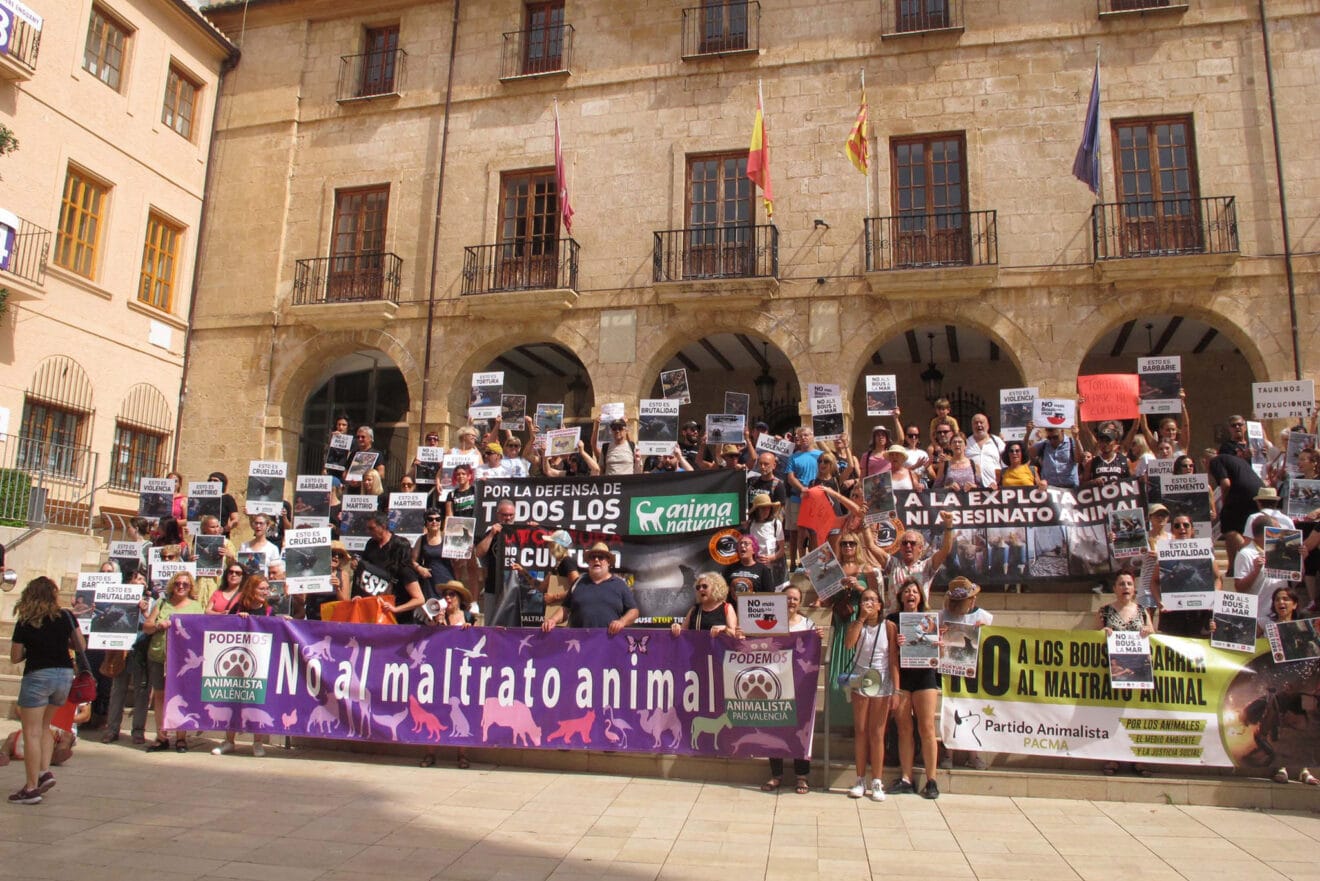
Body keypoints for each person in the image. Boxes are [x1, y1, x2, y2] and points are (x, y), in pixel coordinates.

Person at [9, 576, 87, 804]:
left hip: (38, 675)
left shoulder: (26, 620)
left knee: (31, 731)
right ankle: (43, 772)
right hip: (63, 675)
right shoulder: (65, 616)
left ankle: (31, 788)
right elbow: (80, 645)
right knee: (45, 727)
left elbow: (15, 657)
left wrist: (33, 648)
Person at [843, 587, 899, 801]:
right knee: (861, 730)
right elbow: (849, 644)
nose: (868, 603)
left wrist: (897, 689)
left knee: (877, 733)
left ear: (879, 605)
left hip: (882, 680)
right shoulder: (858, 625)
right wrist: (861, 619)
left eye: (872, 600)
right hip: (860, 679)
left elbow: (893, 659)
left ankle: (877, 780)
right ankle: (860, 779)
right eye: (864, 599)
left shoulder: (889, 627)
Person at [213, 575, 280, 757]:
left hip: (260, 662)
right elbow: (225, 628)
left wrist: (283, 621)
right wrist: (238, 618)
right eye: (261, 588)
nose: (265, 592)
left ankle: (257, 743)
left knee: (258, 702)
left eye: (267, 589)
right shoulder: (239, 606)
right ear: (252, 589)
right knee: (233, 701)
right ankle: (229, 741)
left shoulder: (269, 610)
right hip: (238, 661)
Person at [760, 580, 816, 795]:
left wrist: (816, 638)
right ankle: (776, 774)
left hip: (800, 684)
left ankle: (801, 776)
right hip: (774, 682)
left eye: (795, 598)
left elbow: (812, 651)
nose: (791, 601)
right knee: (774, 727)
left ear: (800, 602)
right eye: (787, 598)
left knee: (800, 729)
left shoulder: (808, 625)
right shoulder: (769, 622)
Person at [1097, 570, 1154, 777]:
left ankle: (1138, 758)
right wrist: (1102, 634)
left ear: (1134, 588)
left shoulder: (1143, 611)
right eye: (1121, 584)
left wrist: (1149, 631)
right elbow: (1094, 636)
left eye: (1129, 583)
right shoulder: (1104, 611)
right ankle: (1112, 756)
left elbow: (1153, 634)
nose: (1126, 587)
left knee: (1136, 715)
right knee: (1113, 715)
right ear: (1114, 588)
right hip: (1114, 672)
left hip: (1138, 673)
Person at [888, 579, 942, 799]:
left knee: (927, 728)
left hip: (924, 677)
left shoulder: (930, 621)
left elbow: (939, 654)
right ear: (901, 596)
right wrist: (898, 644)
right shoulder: (892, 621)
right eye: (907, 591)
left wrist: (938, 644)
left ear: (921, 597)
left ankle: (931, 779)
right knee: (904, 729)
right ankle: (906, 778)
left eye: (915, 591)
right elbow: (889, 655)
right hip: (903, 677)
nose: (911, 594)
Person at [143, 572, 204, 753]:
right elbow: (147, 626)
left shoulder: (196, 607)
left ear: (190, 587)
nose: (181, 586)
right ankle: (162, 736)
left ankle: (181, 738)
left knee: (181, 696)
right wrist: (158, 625)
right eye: (178, 583)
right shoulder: (162, 603)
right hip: (159, 656)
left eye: (185, 584)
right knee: (160, 696)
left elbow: (200, 631)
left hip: (182, 660)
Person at [939, 577, 993, 771]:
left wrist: (984, 631)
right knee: (950, 709)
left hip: (973, 671)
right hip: (950, 670)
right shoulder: (942, 615)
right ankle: (948, 752)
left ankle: (973, 754)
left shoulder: (984, 617)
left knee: (973, 709)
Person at [419, 580, 474, 770]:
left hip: (460, 670)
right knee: (434, 709)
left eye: (452, 595)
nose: (448, 598)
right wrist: (438, 622)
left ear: (460, 599)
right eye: (446, 595)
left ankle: (462, 754)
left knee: (462, 710)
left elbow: (478, 640)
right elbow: (430, 639)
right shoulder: (436, 615)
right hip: (439, 668)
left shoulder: (469, 617)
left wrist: (470, 630)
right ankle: (430, 753)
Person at [542, 542, 638, 633]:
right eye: (593, 557)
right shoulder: (578, 582)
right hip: (580, 642)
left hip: (609, 643)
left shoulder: (619, 584)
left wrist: (622, 622)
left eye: (601, 557)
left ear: (608, 562)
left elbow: (633, 611)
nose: (596, 560)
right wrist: (552, 620)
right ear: (588, 562)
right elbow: (565, 609)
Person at [103, 569, 152, 745]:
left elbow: (152, 624)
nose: (141, 582)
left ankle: (138, 730)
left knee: (142, 691)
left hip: (141, 649)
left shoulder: (152, 601)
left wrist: (145, 612)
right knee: (118, 690)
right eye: (137, 579)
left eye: (143, 580)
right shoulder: (119, 599)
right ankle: (112, 729)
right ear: (130, 583)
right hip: (121, 649)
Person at [354, 511, 425, 623]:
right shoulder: (370, 544)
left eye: (372, 528)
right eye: (367, 528)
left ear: (383, 526)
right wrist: (359, 595)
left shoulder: (404, 569)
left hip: (398, 617)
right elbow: (365, 573)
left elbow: (419, 599)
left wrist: (396, 609)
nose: (368, 532)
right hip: (375, 610)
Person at [1211, 428, 1265, 563]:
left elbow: (1226, 484)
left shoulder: (1216, 460)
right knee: (1236, 527)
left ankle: (1250, 559)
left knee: (1229, 528)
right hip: (1258, 493)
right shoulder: (1239, 462)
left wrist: (1224, 501)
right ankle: (1232, 566)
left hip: (1244, 493)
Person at [670, 573, 737, 637]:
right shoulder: (694, 609)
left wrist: (725, 629)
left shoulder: (727, 608)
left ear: (715, 588)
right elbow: (683, 632)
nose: (701, 589)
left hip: (719, 648)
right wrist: (677, 628)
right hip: (697, 648)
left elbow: (735, 634)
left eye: (705, 586)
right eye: (698, 587)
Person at [412, 508, 456, 601]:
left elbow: (457, 562)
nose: (434, 522)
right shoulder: (422, 539)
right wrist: (419, 569)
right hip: (429, 581)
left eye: (438, 519)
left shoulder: (448, 537)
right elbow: (412, 560)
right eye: (430, 519)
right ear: (426, 522)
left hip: (447, 578)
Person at [744, 493, 786, 588]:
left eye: (768, 508)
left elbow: (782, 549)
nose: (766, 510)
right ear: (757, 510)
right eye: (763, 508)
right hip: (755, 568)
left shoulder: (776, 524)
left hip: (773, 569)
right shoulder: (750, 525)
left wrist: (772, 557)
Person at [965, 413, 1005, 488]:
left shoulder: (997, 441)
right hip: (973, 488)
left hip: (995, 487)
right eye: (976, 423)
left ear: (988, 425)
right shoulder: (966, 443)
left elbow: (1005, 464)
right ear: (972, 426)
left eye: (981, 422)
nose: (979, 425)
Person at [208, 471, 241, 537]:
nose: (212, 482)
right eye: (210, 480)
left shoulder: (227, 499)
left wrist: (224, 529)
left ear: (222, 483)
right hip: (201, 536)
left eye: (215, 481)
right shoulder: (201, 498)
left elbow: (235, 519)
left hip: (220, 536)